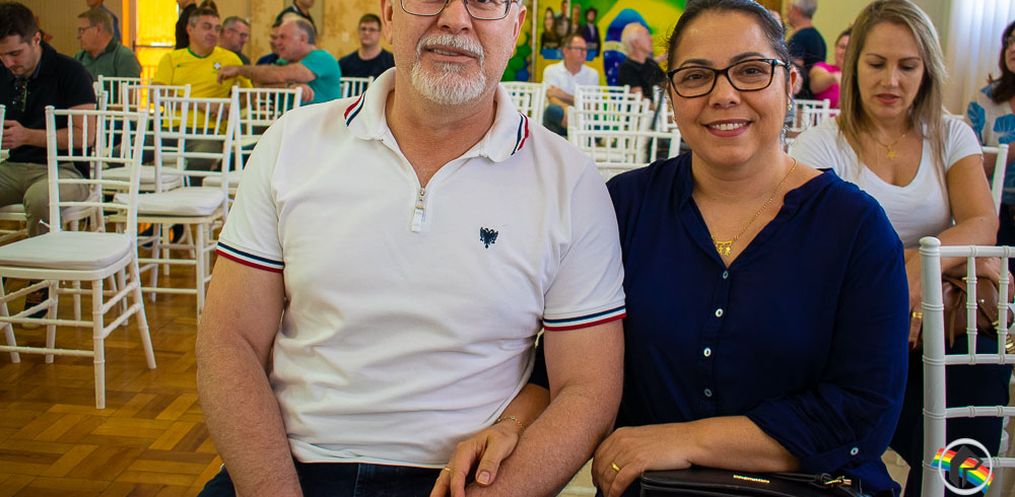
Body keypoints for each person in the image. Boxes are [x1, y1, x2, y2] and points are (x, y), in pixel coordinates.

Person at [441, 1, 911, 497]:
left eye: (751, 71)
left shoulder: (856, 229)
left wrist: (687, 441)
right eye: (696, 76)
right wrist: (511, 426)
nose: (724, 95)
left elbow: (864, 412)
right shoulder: (623, 207)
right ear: (671, 97)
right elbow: (561, 365)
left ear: (789, 82)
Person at [195, 0, 625, 496]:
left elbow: (588, 389)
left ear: (516, 26)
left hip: (468, 479)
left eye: (484, 1)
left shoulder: (569, 181)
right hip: (290, 464)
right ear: (389, 14)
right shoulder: (292, 143)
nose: (454, 18)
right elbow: (230, 340)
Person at [790, 2, 1008, 496]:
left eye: (908, 66)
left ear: (927, 70)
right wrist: (912, 277)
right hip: (852, 323)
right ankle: (929, 467)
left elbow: (982, 222)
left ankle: (951, 480)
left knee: (977, 372)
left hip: (934, 321)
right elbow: (823, 250)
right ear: (853, 66)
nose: (891, 80)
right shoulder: (819, 145)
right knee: (911, 419)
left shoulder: (951, 134)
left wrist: (913, 279)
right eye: (877, 63)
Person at [0, 2, 94, 309]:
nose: (8, 62)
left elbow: (85, 136)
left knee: (41, 198)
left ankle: (39, 281)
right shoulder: (3, 71)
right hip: (13, 165)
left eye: (15, 53)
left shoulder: (70, 71)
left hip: (66, 169)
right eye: (2, 55)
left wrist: (28, 136)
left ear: (36, 39)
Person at [967, 20, 1015, 270]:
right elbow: (970, 168)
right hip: (998, 213)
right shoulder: (985, 101)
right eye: (1010, 41)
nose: (1013, 48)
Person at [219, 18, 341, 105]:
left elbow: (279, 75)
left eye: (283, 37)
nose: (277, 43)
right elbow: (260, 84)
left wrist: (239, 69)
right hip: (289, 127)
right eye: (277, 38)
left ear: (303, 39)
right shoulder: (283, 62)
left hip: (321, 130)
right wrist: (289, 86)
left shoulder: (322, 58)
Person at [155, 7, 249, 99]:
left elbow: (249, 94)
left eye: (217, 29)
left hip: (215, 110)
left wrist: (231, 107)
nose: (213, 33)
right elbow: (156, 93)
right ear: (190, 29)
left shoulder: (231, 59)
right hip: (180, 110)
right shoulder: (171, 59)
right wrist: (199, 105)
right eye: (207, 27)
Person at [542, 33, 598, 136]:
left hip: (583, 118)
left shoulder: (592, 74)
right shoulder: (551, 70)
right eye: (579, 49)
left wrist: (563, 95)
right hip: (560, 117)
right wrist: (566, 107)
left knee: (597, 119)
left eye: (585, 49)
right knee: (552, 110)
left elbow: (591, 105)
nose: (584, 53)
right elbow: (551, 97)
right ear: (566, 51)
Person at [74, 7, 141, 81]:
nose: (78, 36)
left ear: (98, 29)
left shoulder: (124, 57)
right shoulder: (79, 57)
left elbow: (129, 88)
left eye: (82, 30)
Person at [786, 0, 825, 99]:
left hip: (799, 97)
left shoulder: (800, 37)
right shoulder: (818, 37)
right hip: (812, 97)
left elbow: (795, 68)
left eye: (789, 9)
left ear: (797, 11)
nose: (787, 13)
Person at [617, 23, 664, 101]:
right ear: (636, 43)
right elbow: (639, 101)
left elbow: (667, 86)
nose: (651, 39)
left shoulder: (650, 64)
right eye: (647, 35)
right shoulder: (627, 69)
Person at [338, 13, 394, 79]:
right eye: (363, 29)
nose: (366, 33)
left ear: (380, 33)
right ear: (358, 31)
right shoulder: (344, 64)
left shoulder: (391, 62)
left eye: (372, 29)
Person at [808, 28, 848, 108]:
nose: (845, 52)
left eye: (850, 48)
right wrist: (834, 77)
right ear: (836, 48)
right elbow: (814, 84)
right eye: (842, 47)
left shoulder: (860, 75)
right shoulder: (822, 67)